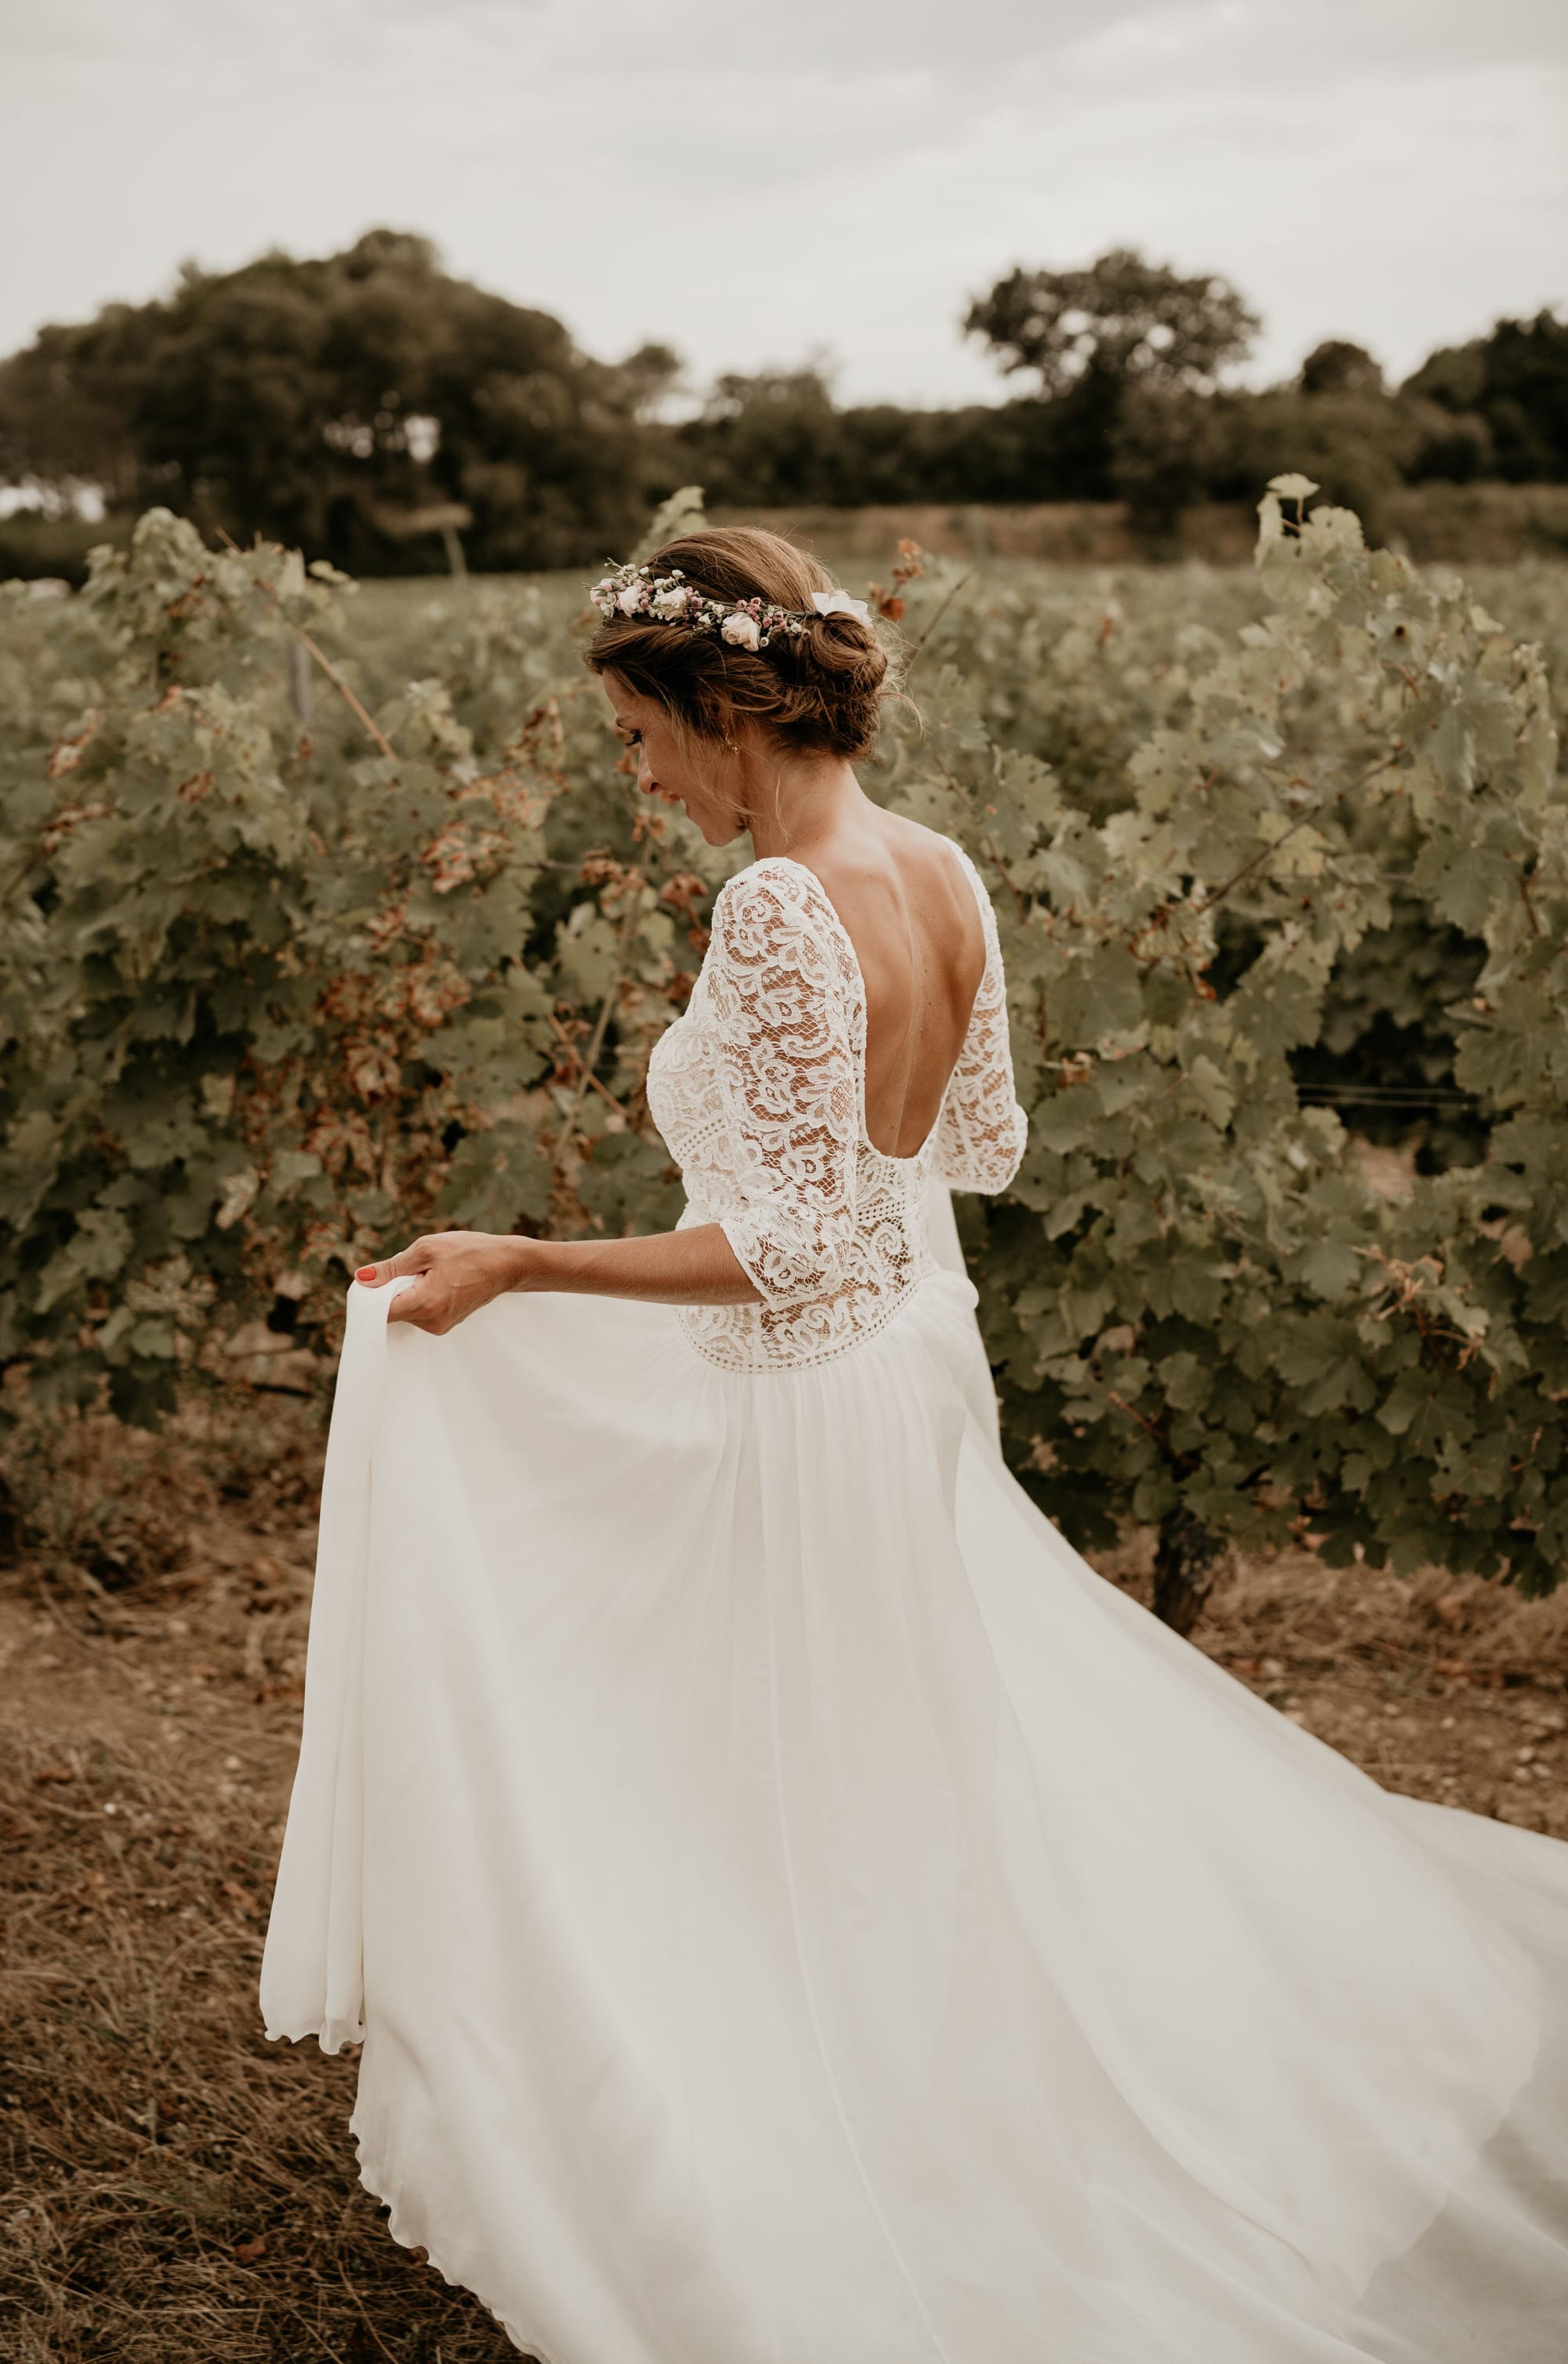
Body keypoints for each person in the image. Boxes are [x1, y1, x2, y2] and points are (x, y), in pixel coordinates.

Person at [263, 528, 1568, 2364]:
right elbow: (980, 1149)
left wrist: (524, 1261)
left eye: (638, 734)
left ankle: (835, 2119)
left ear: (723, 711)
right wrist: (810, 1203)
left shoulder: (777, 903)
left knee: (800, 1773)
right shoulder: (938, 867)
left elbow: (789, 1241)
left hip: (805, 1405)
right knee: (879, 1770)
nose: (633, 777)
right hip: (896, 1372)